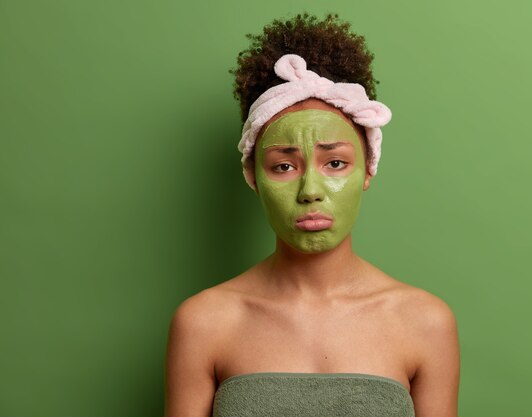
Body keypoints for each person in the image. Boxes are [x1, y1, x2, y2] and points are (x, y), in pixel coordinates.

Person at [165, 13, 460, 417]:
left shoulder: (425, 322)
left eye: (335, 163)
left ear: (369, 167)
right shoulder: (203, 322)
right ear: (252, 175)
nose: (310, 192)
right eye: (283, 167)